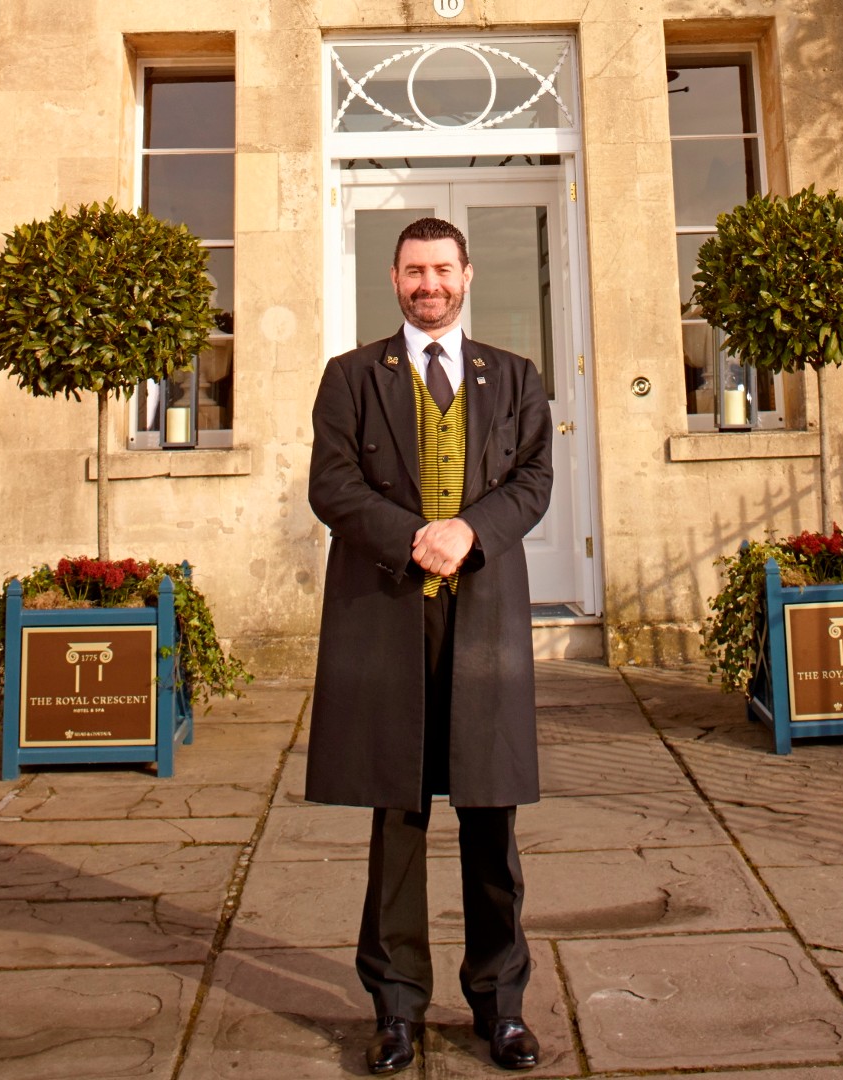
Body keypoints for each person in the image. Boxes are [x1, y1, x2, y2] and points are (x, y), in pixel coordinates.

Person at [306, 216, 554, 1075]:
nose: (430, 284)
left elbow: (534, 482)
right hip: (389, 611)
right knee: (398, 815)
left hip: (483, 613)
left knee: (491, 817)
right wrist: (418, 537)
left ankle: (502, 1007)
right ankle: (397, 1009)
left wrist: (469, 533)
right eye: (415, 271)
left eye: (443, 269)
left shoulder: (516, 378)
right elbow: (331, 484)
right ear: (394, 278)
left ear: (467, 275)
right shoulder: (349, 378)